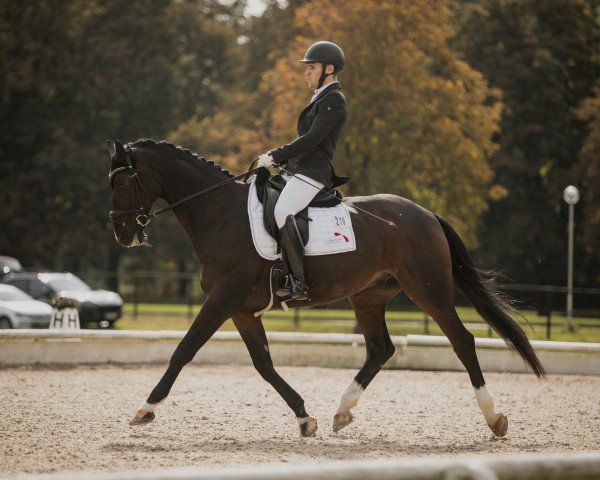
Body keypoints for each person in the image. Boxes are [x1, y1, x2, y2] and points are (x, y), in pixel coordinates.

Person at [257, 41, 349, 301]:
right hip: (297, 169)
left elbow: (312, 138)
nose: (306, 72)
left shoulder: (334, 100)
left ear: (329, 69)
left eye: (312, 67)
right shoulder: (321, 97)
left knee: (282, 211)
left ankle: (298, 282)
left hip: (312, 173)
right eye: (306, 68)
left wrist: (276, 154)